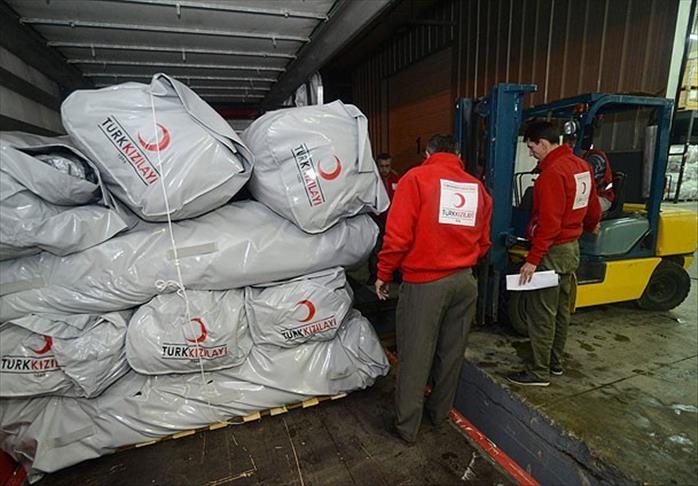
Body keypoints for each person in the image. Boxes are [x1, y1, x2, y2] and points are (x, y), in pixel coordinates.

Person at [374, 134, 492, 443]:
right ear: (457, 154)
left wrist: (384, 273)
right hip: (465, 283)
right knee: (451, 354)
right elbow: (484, 243)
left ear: (428, 153)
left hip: (425, 284)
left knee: (415, 355)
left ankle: (406, 428)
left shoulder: (415, 179)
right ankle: (439, 414)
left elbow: (397, 236)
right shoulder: (475, 187)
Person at [507, 122, 602, 387]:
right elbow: (592, 204)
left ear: (544, 143)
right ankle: (555, 363)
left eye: (532, 147)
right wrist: (591, 224)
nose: (531, 153)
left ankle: (538, 372)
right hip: (571, 250)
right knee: (561, 312)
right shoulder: (581, 166)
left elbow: (549, 224)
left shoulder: (551, 174)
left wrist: (532, 260)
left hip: (551, 251)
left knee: (541, 314)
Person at [367, 153, 400, 284]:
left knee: (393, 247)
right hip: (377, 219)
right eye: (382, 166)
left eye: (387, 166)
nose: (385, 169)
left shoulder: (395, 178)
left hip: (392, 219)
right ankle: (374, 275)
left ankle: (395, 274)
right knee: (376, 248)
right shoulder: (372, 180)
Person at [563, 135, 615, 212]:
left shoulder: (596, 158)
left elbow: (583, 176)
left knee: (576, 206)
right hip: (589, 196)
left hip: (601, 197)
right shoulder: (582, 158)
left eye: (572, 145)